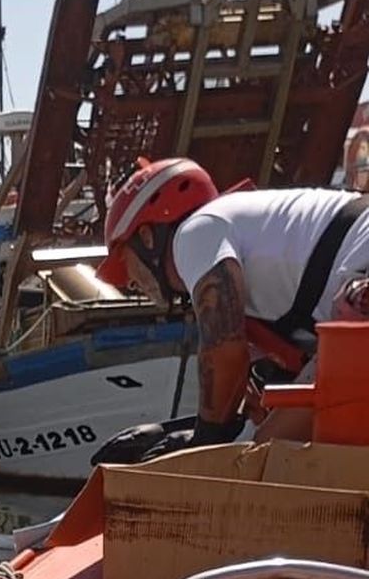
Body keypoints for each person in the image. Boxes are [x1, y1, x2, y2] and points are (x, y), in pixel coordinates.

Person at [97, 159, 369, 447]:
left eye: (125, 262)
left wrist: (204, 439)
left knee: (270, 454)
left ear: (147, 236)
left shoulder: (195, 232)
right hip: (355, 288)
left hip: (359, 290)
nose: (130, 283)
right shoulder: (248, 231)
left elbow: (224, 349)